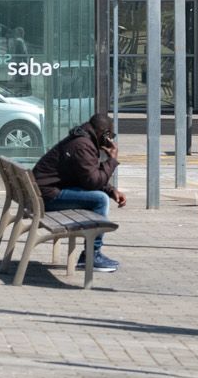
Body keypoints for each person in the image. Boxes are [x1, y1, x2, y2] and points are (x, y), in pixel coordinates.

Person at [30, 111, 127, 273]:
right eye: (110, 135)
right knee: (100, 200)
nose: (111, 140)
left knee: (101, 195)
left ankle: (91, 253)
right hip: (47, 197)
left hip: (42, 193)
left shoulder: (82, 140)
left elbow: (85, 176)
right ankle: (91, 254)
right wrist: (111, 160)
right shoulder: (83, 145)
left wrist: (112, 190)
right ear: (103, 133)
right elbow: (92, 181)